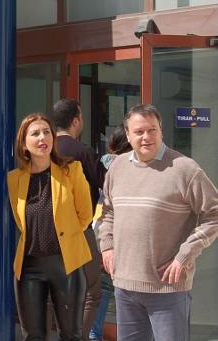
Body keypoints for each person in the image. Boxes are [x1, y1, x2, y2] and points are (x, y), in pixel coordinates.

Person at [99, 104, 218, 341]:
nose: (146, 137)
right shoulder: (117, 167)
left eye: (152, 130)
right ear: (128, 135)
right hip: (125, 285)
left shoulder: (184, 169)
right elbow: (108, 210)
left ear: (161, 131)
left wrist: (185, 255)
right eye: (139, 132)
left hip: (167, 288)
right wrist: (107, 245)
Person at [7, 113, 93, 341]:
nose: (42, 137)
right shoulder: (14, 179)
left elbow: (85, 215)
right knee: (32, 336)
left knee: (70, 334)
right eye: (35, 133)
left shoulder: (72, 170)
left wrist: (68, 236)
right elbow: (20, 222)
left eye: (46, 132)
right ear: (24, 144)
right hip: (29, 267)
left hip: (66, 264)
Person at [53, 99, 106, 341]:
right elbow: (107, 185)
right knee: (91, 291)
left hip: (46, 231)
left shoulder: (42, 148)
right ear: (76, 120)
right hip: (78, 231)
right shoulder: (83, 152)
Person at [88, 125, 132, 341]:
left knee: (101, 290)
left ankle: (94, 334)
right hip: (127, 235)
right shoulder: (136, 165)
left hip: (101, 230)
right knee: (129, 294)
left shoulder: (103, 163)